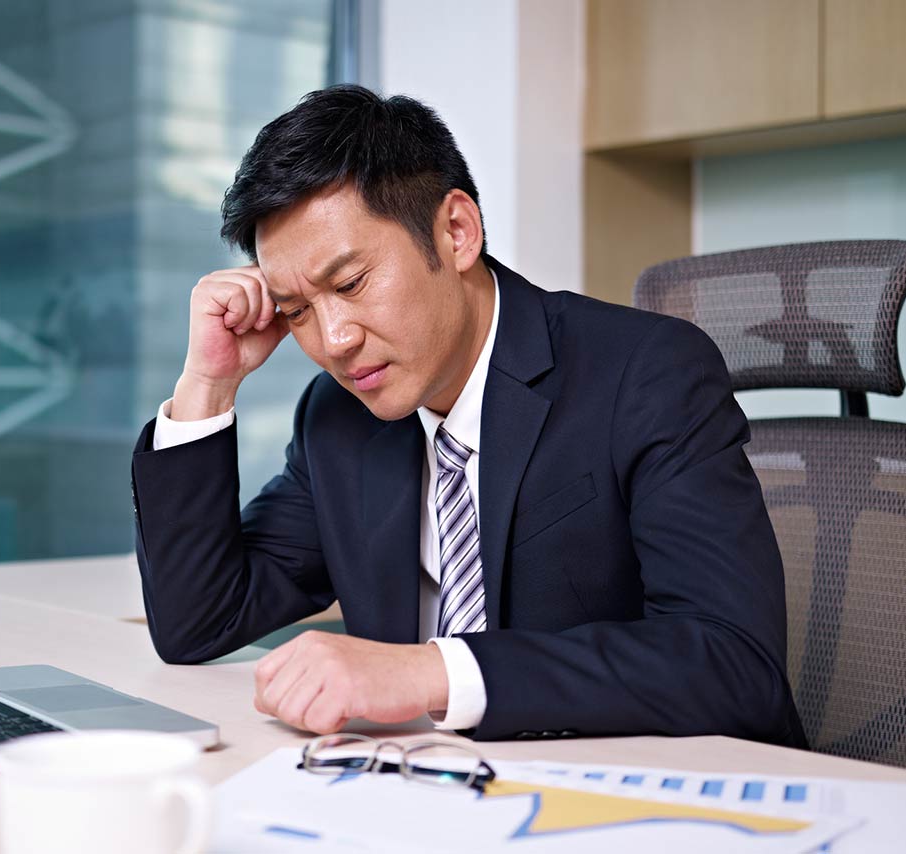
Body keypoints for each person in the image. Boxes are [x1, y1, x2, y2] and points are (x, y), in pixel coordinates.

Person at [131, 85, 805, 746]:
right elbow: (201, 622)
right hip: (429, 791)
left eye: (351, 284)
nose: (332, 340)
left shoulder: (646, 374)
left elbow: (735, 665)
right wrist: (208, 385)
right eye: (296, 310)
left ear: (456, 232)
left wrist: (434, 673)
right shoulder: (338, 417)